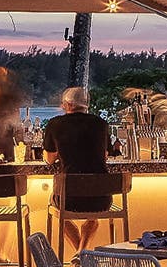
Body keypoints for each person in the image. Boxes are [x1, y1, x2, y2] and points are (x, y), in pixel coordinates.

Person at [42, 87, 116, 256]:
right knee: (93, 218)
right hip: (101, 198)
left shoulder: (55, 124)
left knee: (59, 214)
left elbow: (49, 159)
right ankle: (83, 253)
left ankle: (82, 254)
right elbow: (104, 155)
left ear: (67, 104)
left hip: (69, 199)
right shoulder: (100, 123)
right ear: (86, 105)